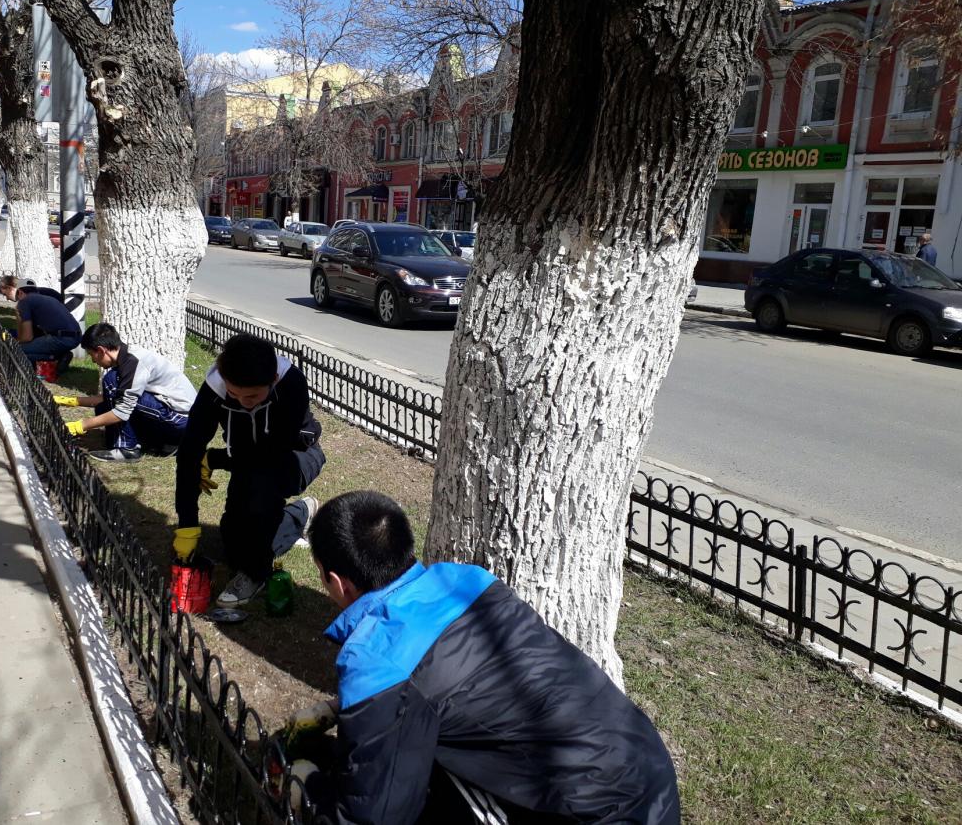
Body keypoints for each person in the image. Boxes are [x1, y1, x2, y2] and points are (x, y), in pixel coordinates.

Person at [293, 491, 681, 824]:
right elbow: (457, 683)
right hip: (644, 769)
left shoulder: (375, 656)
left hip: (588, 812)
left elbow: (375, 815)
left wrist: (309, 787)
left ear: (336, 581)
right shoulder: (469, 581)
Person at [174, 333, 325, 607]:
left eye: (253, 395)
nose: (243, 401)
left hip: (294, 456)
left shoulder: (291, 383)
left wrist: (216, 459)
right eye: (233, 394)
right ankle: (300, 514)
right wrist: (187, 524)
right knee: (233, 541)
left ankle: (257, 574)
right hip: (247, 460)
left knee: (260, 500)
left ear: (273, 381)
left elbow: (270, 455)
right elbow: (188, 452)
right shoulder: (215, 387)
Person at [55, 322, 197, 462]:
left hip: (182, 420)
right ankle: (162, 443)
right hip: (176, 417)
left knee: (111, 382)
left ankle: (127, 450)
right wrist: (72, 401)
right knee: (105, 402)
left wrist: (80, 425)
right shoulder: (126, 357)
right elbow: (107, 398)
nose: (93, 361)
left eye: (92, 355)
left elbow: (123, 411)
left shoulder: (132, 363)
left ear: (101, 350)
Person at [0, 275, 82, 369]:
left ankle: (57, 357)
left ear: (20, 292)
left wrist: (14, 342)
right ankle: (59, 355)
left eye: (5, 295)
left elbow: (27, 337)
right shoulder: (46, 297)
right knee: (27, 344)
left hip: (61, 338)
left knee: (14, 349)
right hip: (76, 336)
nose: (7, 299)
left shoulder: (24, 302)